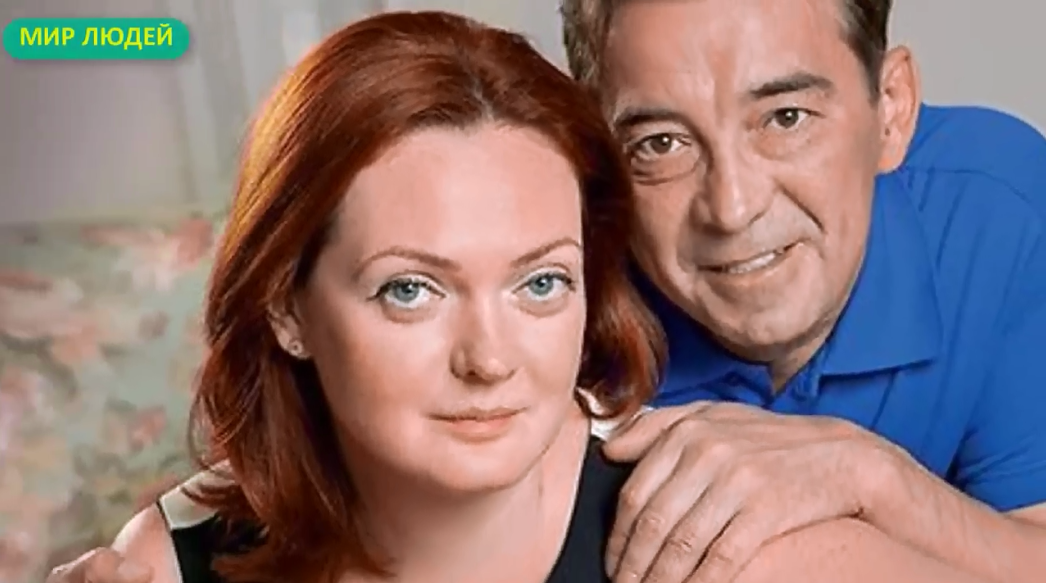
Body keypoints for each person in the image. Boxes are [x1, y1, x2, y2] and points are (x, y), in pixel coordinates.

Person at [44, 8, 996, 583]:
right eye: (411, 289)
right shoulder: (163, 563)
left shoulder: (734, 548)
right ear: (287, 306)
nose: (490, 359)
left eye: (541, 282)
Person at [548, 0, 1046, 582]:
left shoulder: (999, 210)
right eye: (661, 144)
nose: (732, 209)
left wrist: (870, 478)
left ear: (891, 107)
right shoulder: (550, 275)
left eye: (785, 118)